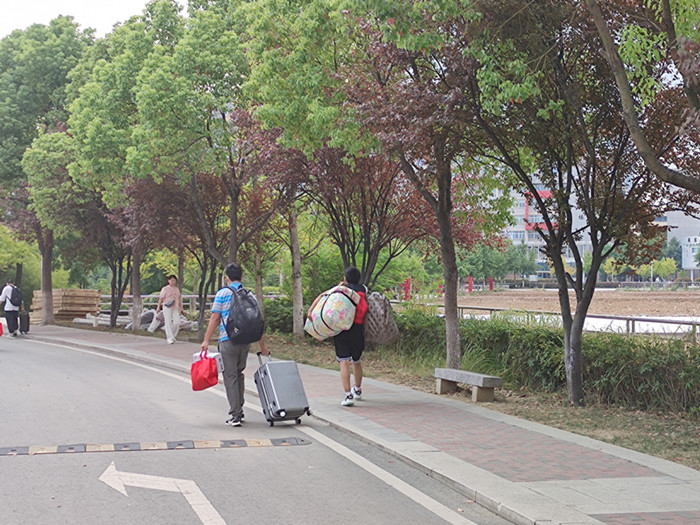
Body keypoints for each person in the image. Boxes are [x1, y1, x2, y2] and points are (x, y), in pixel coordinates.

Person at [201, 262, 269, 427]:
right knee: (239, 374)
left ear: (227, 278)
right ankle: (239, 408)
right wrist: (262, 346)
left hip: (228, 340)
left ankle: (235, 414)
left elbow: (215, 318)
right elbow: (256, 321)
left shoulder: (222, 293)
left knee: (230, 376)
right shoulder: (249, 294)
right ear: (242, 277)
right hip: (245, 341)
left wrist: (206, 340)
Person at [309, 266, 368, 407]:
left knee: (344, 361)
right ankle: (357, 390)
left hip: (342, 328)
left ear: (345, 278)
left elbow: (323, 296)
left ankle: (348, 396)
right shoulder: (364, 290)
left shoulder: (340, 289)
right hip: (358, 329)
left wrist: (311, 311)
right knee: (356, 360)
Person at [155, 275, 184, 344]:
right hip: (167, 306)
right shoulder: (165, 289)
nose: (173, 282)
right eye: (172, 280)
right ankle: (170, 337)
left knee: (177, 322)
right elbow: (161, 298)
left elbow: (179, 299)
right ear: (168, 281)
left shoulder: (177, 289)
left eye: (174, 280)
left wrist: (181, 308)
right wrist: (158, 307)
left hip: (175, 307)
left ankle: (173, 336)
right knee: (168, 322)